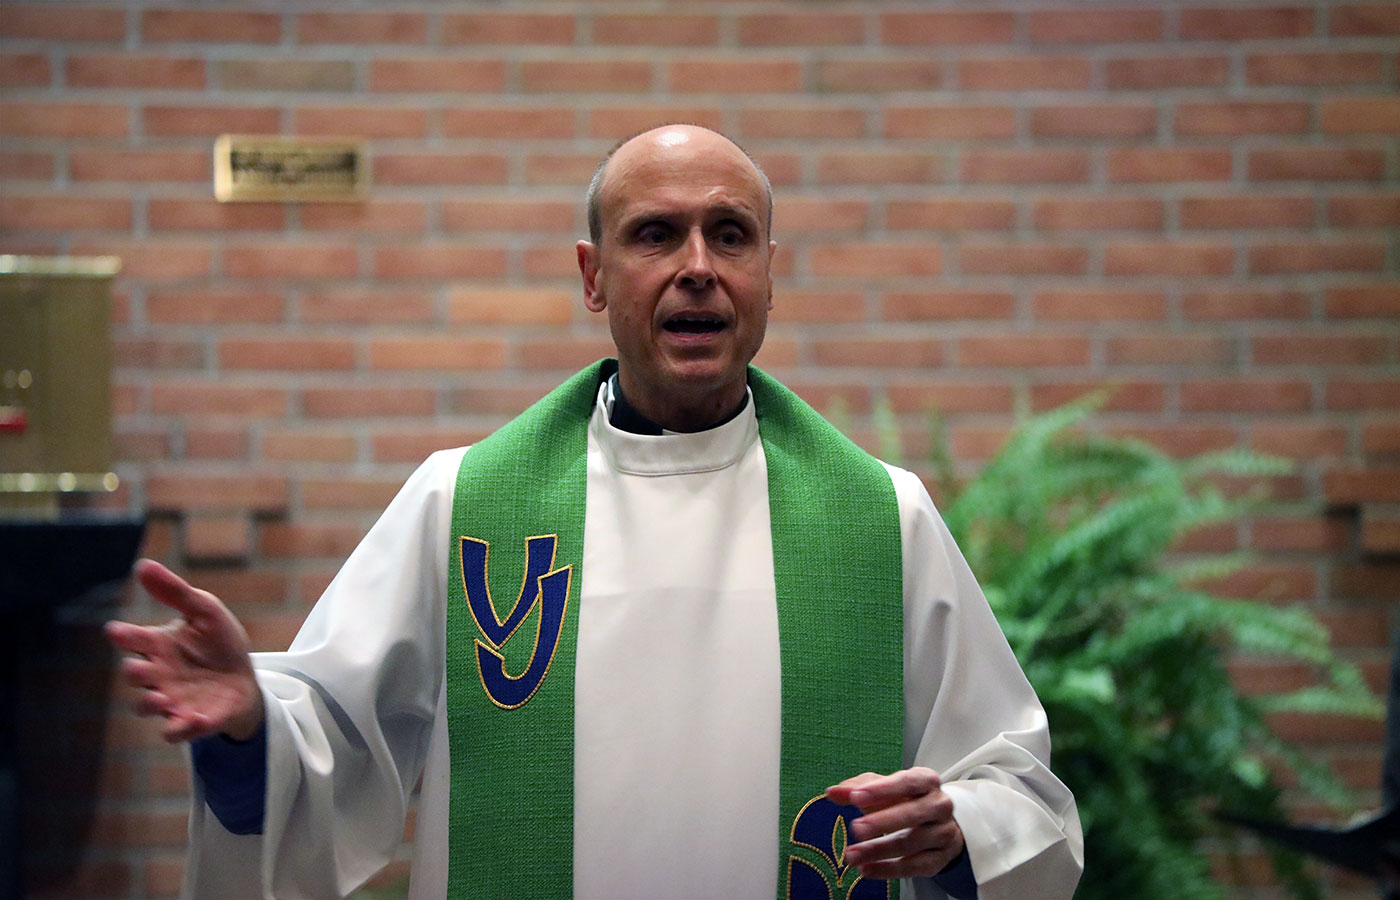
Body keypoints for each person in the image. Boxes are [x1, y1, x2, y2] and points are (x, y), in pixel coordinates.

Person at [106, 125, 1083, 900]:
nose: (696, 265)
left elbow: (1019, 792)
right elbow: (332, 738)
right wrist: (249, 735)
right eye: (654, 234)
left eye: (728, 234)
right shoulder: (464, 506)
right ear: (592, 276)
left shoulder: (881, 519)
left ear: (768, 277)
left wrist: (958, 828)